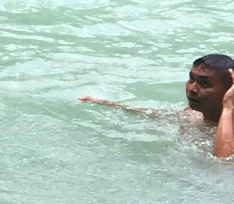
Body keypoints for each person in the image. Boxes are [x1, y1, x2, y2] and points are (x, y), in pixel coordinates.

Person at [79, 54, 234, 158]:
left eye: (204, 83)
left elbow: (222, 166)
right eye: (191, 79)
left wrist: (228, 107)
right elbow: (162, 116)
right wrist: (111, 105)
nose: (192, 88)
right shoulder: (195, 113)